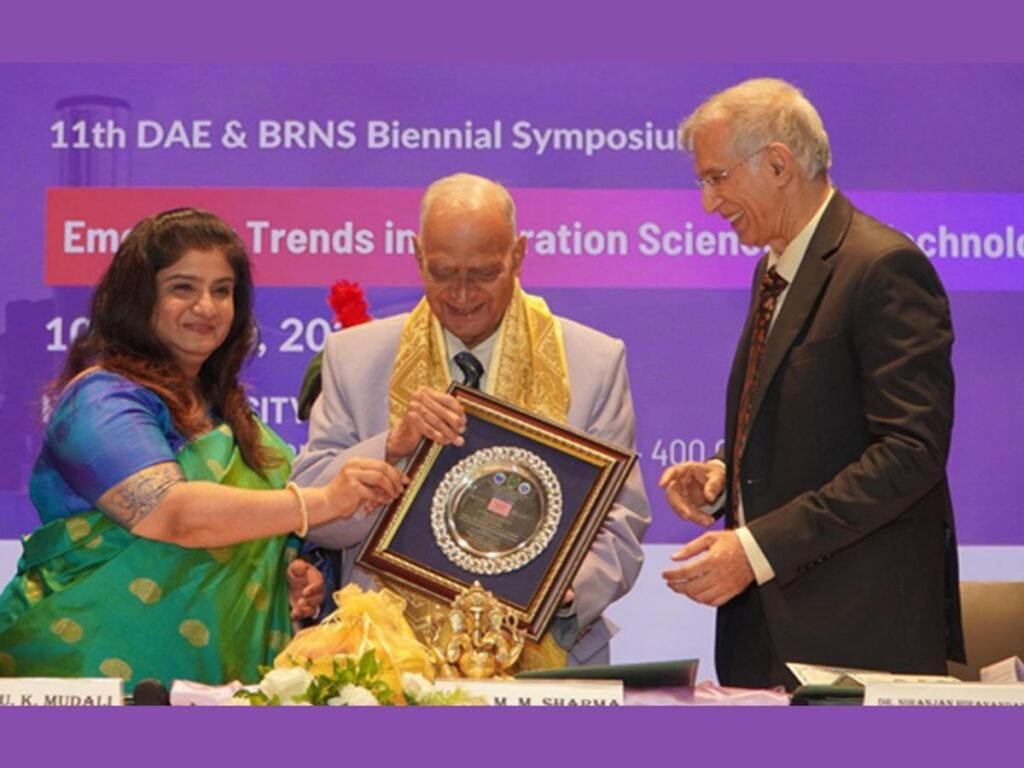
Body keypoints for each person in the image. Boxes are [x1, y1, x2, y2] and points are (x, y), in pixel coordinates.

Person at [0, 208, 406, 688]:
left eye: (222, 290)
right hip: (85, 674)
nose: (207, 307)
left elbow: (254, 537)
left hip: (212, 685)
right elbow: (173, 514)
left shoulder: (233, 419)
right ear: (139, 297)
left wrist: (291, 575)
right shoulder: (101, 399)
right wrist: (320, 501)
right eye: (183, 288)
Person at [659, 78, 965, 689]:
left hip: (858, 637)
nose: (709, 204)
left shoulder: (882, 266)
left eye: (717, 178)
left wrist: (756, 548)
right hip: (765, 637)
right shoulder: (773, 269)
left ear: (778, 164)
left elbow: (909, 453)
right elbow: (811, 419)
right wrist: (725, 472)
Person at [292, 172, 650, 666]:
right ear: (417, 256)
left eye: (483, 273)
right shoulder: (353, 357)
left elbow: (620, 520)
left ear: (518, 256)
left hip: (545, 655)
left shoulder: (592, 361)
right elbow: (312, 513)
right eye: (442, 273)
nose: (461, 295)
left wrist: (562, 594)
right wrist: (392, 446)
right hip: (387, 659)